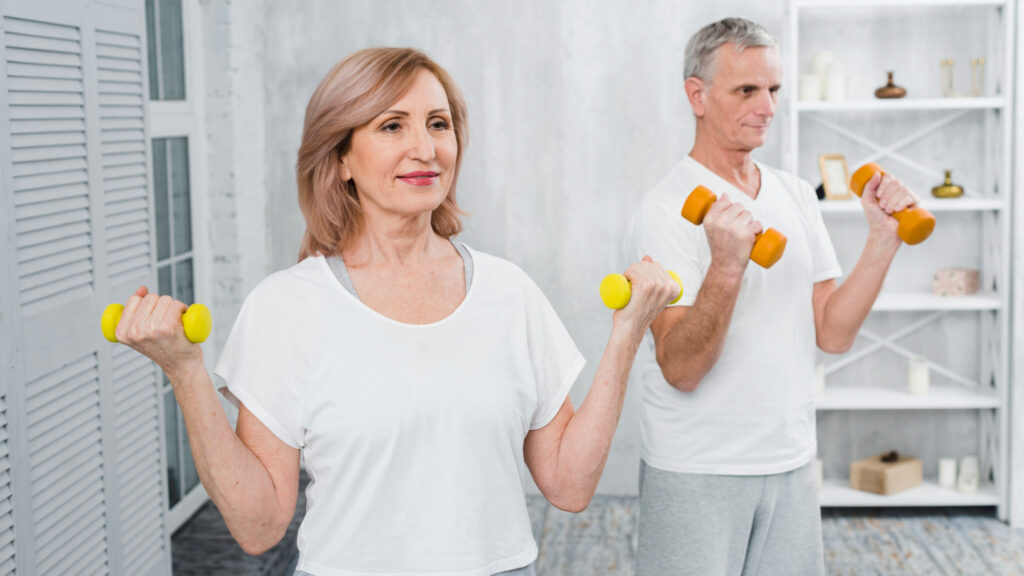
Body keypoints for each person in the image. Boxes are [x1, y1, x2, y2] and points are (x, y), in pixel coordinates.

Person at [115, 47, 679, 576]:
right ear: (340, 159)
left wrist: (628, 332)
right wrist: (186, 372)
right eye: (392, 126)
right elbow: (260, 526)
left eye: (438, 123)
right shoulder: (286, 306)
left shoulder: (510, 292)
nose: (426, 148)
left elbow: (569, 487)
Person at [625, 18, 922, 575]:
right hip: (698, 468)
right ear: (697, 95)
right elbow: (682, 368)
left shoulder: (793, 195)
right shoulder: (665, 211)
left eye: (774, 90)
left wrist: (883, 240)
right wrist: (727, 266)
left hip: (790, 462)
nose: (767, 106)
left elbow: (832, 333)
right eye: (746, 90)